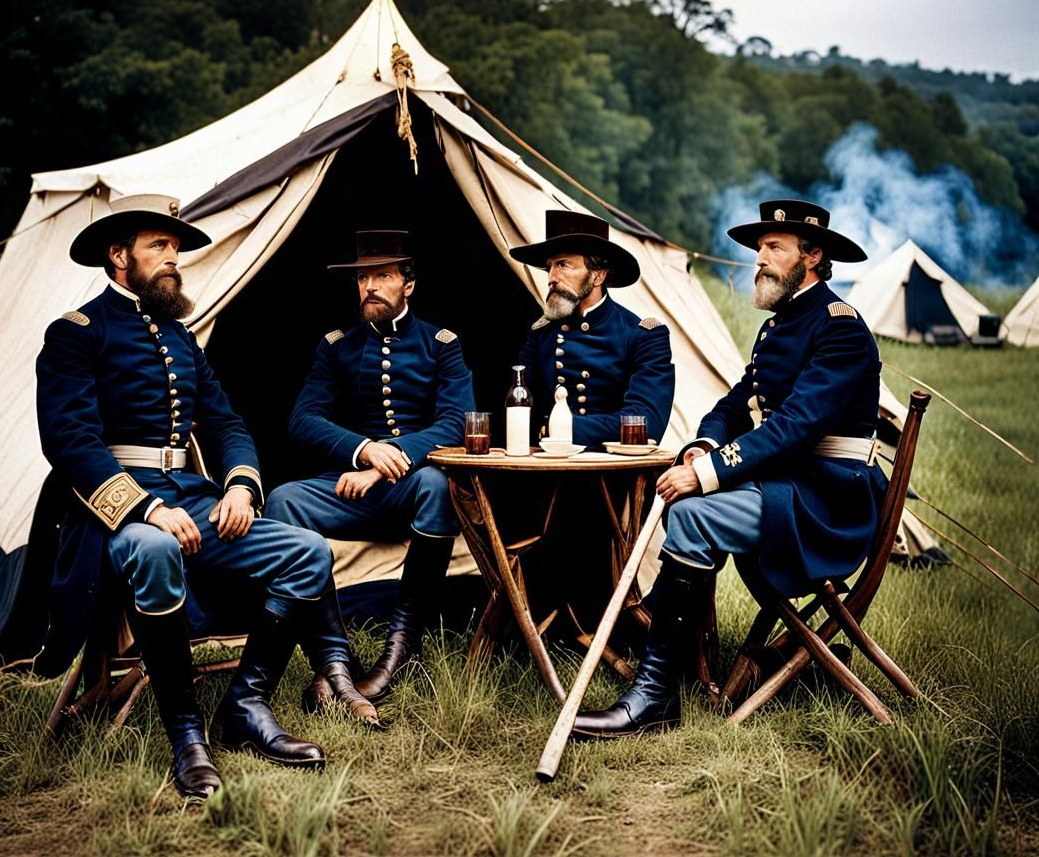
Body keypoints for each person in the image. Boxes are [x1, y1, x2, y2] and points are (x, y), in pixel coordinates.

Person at [36, 194, 338, 800]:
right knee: (154, 549)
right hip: (111, 510)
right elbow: (70, 442)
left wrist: (241, 487)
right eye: (159, 246)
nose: (174, 258)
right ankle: (186, 734)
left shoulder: (181, 338)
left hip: (192, 497)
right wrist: (148, 509)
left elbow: (225, 424)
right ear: (118, 255)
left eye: (175, 247)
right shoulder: (77, 332)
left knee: (309, 552)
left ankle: (246, 705)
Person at [572, 198, 885, 739]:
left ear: (811, 256)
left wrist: (708, 473)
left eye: (774, 247)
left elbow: (796, 426)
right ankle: (671, 660)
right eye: (760, 248)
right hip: (790, 485)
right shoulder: (778, 327)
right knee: (688, 501)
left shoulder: (840, 328)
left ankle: (654, 696)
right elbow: (735, 405)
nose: (759, 259)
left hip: (829, 500)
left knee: (692, 514)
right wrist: (703, 445)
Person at [264, 229, 474, 704]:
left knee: (437, 483)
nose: (370, 287)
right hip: (354, 491)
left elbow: (457, 423)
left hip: (411, 491)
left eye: (383, 276)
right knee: (283, 500)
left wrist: (384, 461)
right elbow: (303, 420)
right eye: (363, 278)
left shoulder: (441, 344)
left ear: (408, 284)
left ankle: (402, 648)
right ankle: (334, 660)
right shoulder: (337, 345)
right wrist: (362, 450)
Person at [510, 210, 675, 448]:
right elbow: (520, 408)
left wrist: (564, 428)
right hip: (549, 462)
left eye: (563, 265)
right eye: (550, 267)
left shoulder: (644, 335)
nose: (552, 278)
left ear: (598, 276)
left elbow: (646, 421)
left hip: (612, 467)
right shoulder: (541, 333)